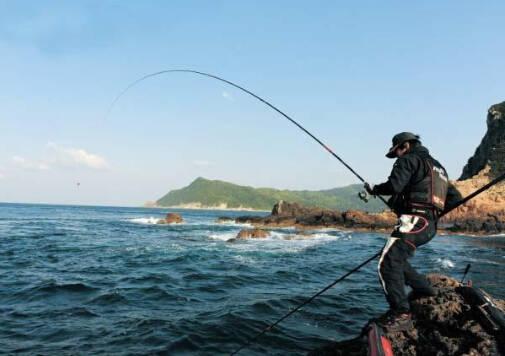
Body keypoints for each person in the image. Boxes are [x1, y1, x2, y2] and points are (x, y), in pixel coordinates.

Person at [364, 132, 450, 332]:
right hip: (429, 226)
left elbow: (395, 185)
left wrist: (374, 189)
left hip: (414, 221)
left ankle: (402, 314)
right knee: (397, 259)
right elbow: (453, 197)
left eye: (397, 152)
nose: (398, 156)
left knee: (387, 263)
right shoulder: (439, 169)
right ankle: (425, 290)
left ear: (404, 146)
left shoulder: (409, 159)